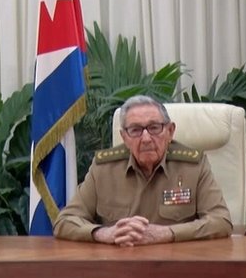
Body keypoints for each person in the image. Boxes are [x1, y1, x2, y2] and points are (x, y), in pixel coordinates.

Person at [54, 95, 233, 245]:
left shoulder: (193, 166)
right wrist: (104, 234)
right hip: (118, 270)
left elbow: (221, 221)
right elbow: (65, 221)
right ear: (124, 137)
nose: (146, 138)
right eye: (135, 130)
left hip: (176, 268)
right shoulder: (104, 169)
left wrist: (167, 233)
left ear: (170, 131)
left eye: (154, 128)